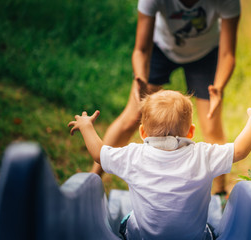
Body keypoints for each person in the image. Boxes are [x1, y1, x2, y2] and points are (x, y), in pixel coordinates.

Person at [68, 90, 251, 240]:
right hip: (193, 238)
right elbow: (239, 150)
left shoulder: (133, 156)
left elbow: (98, 154)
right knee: (209, 228)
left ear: (142, 133)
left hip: (141, 238)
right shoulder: (203, 155)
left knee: (129, 219)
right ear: (190, 132)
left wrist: (86, 127)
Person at [91, 0, 241, 196]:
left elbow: (228, 54)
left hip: (205, 55)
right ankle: (93, 178)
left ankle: (219, 193)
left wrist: (218, 88)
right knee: (131, 117)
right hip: (161, 50)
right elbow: (141, 50)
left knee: (211, 124)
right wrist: (140, 78)